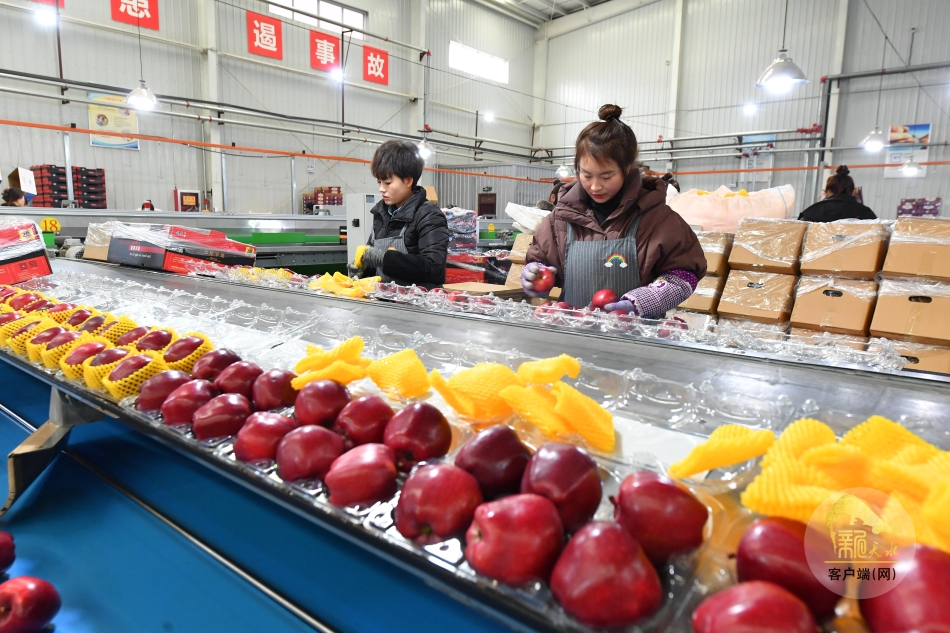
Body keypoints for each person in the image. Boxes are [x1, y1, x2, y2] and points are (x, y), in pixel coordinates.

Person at [522, 104, 706, 318]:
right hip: (573, 334)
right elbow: (541, 262)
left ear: (626, 169)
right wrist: (535, 276)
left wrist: (647, 301)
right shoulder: (560, 220)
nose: (595, 186)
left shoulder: (658, 220)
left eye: (606, 176)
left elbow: (685, 275)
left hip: (638, 335)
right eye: (586, 175)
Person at [351, 140, 449, 288]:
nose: (381, 189)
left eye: (387, 183)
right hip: (385, 298)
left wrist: (384, 259)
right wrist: (360, 270)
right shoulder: (380, 214)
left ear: (408, 181)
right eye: (379, 182)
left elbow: (434, 269)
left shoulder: (429, 216)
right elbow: (375, 269)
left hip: (418, 300)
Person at [798, 166, 876, 222]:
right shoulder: (865, 214)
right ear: (852, 192)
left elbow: (797, 236)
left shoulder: (810, 213)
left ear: (827, 192)